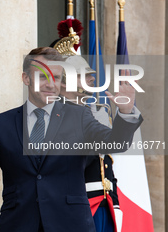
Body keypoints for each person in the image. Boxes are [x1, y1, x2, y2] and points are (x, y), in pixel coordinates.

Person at [0, 47, 143, 231]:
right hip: (18, 224)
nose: (49, 84)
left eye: (55, 77)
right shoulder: (3, 123)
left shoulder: (79, 116)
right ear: (26, 78)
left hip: (70, 224)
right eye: (42, 77)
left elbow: (114, 143)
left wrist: (125, 113)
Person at [58, 55, 121, 232]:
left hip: (105, 203)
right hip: (77, 206)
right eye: (83, 75)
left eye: (90, 74)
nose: (92, 79)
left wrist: (114, 203)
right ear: (63, 82)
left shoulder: (98, 111)